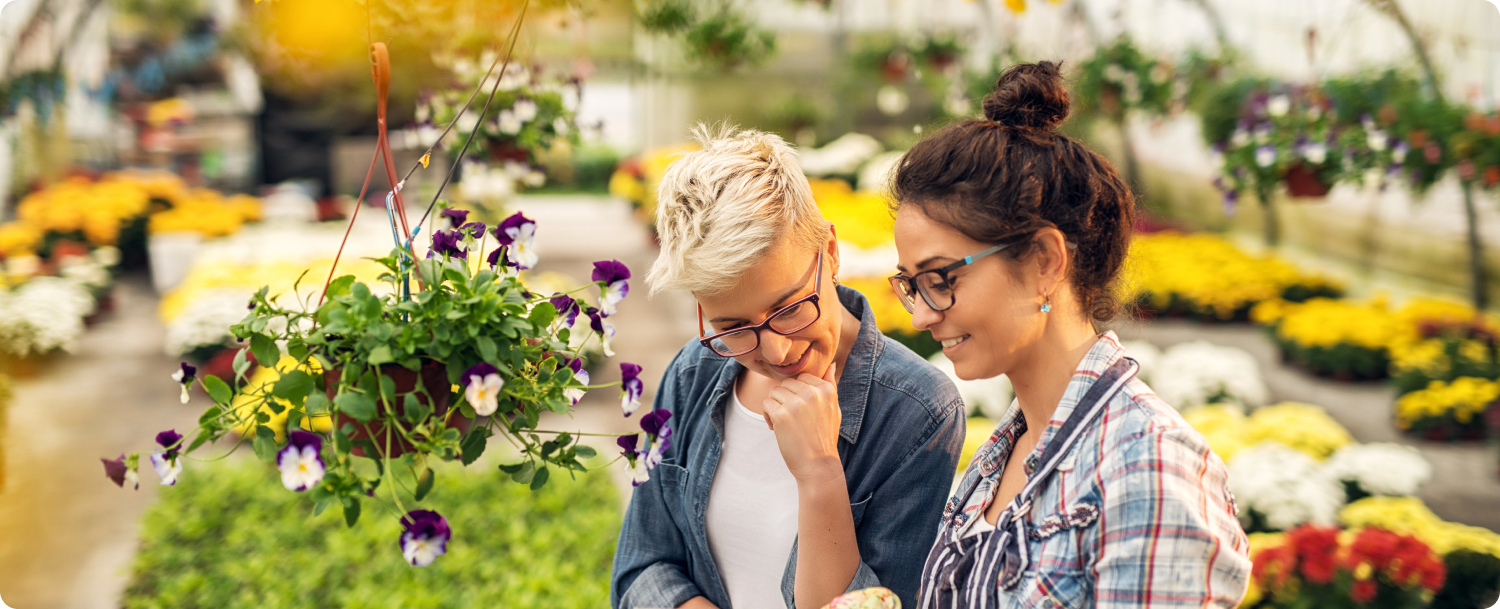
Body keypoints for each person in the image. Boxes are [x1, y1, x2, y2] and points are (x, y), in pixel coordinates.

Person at [888, 62, 1251, 608]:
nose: (921, 316)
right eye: (911, 285)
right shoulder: (1006, 449)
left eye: (941, 279)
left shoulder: (1147, 470)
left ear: (1044, 261)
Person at [611, 126, 966, 609]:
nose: (776, 352)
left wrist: (820, 473)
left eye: (790, 308)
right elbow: (641, 565)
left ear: (831, 253)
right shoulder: (693, 372)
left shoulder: (917, 411)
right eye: (733, 326)